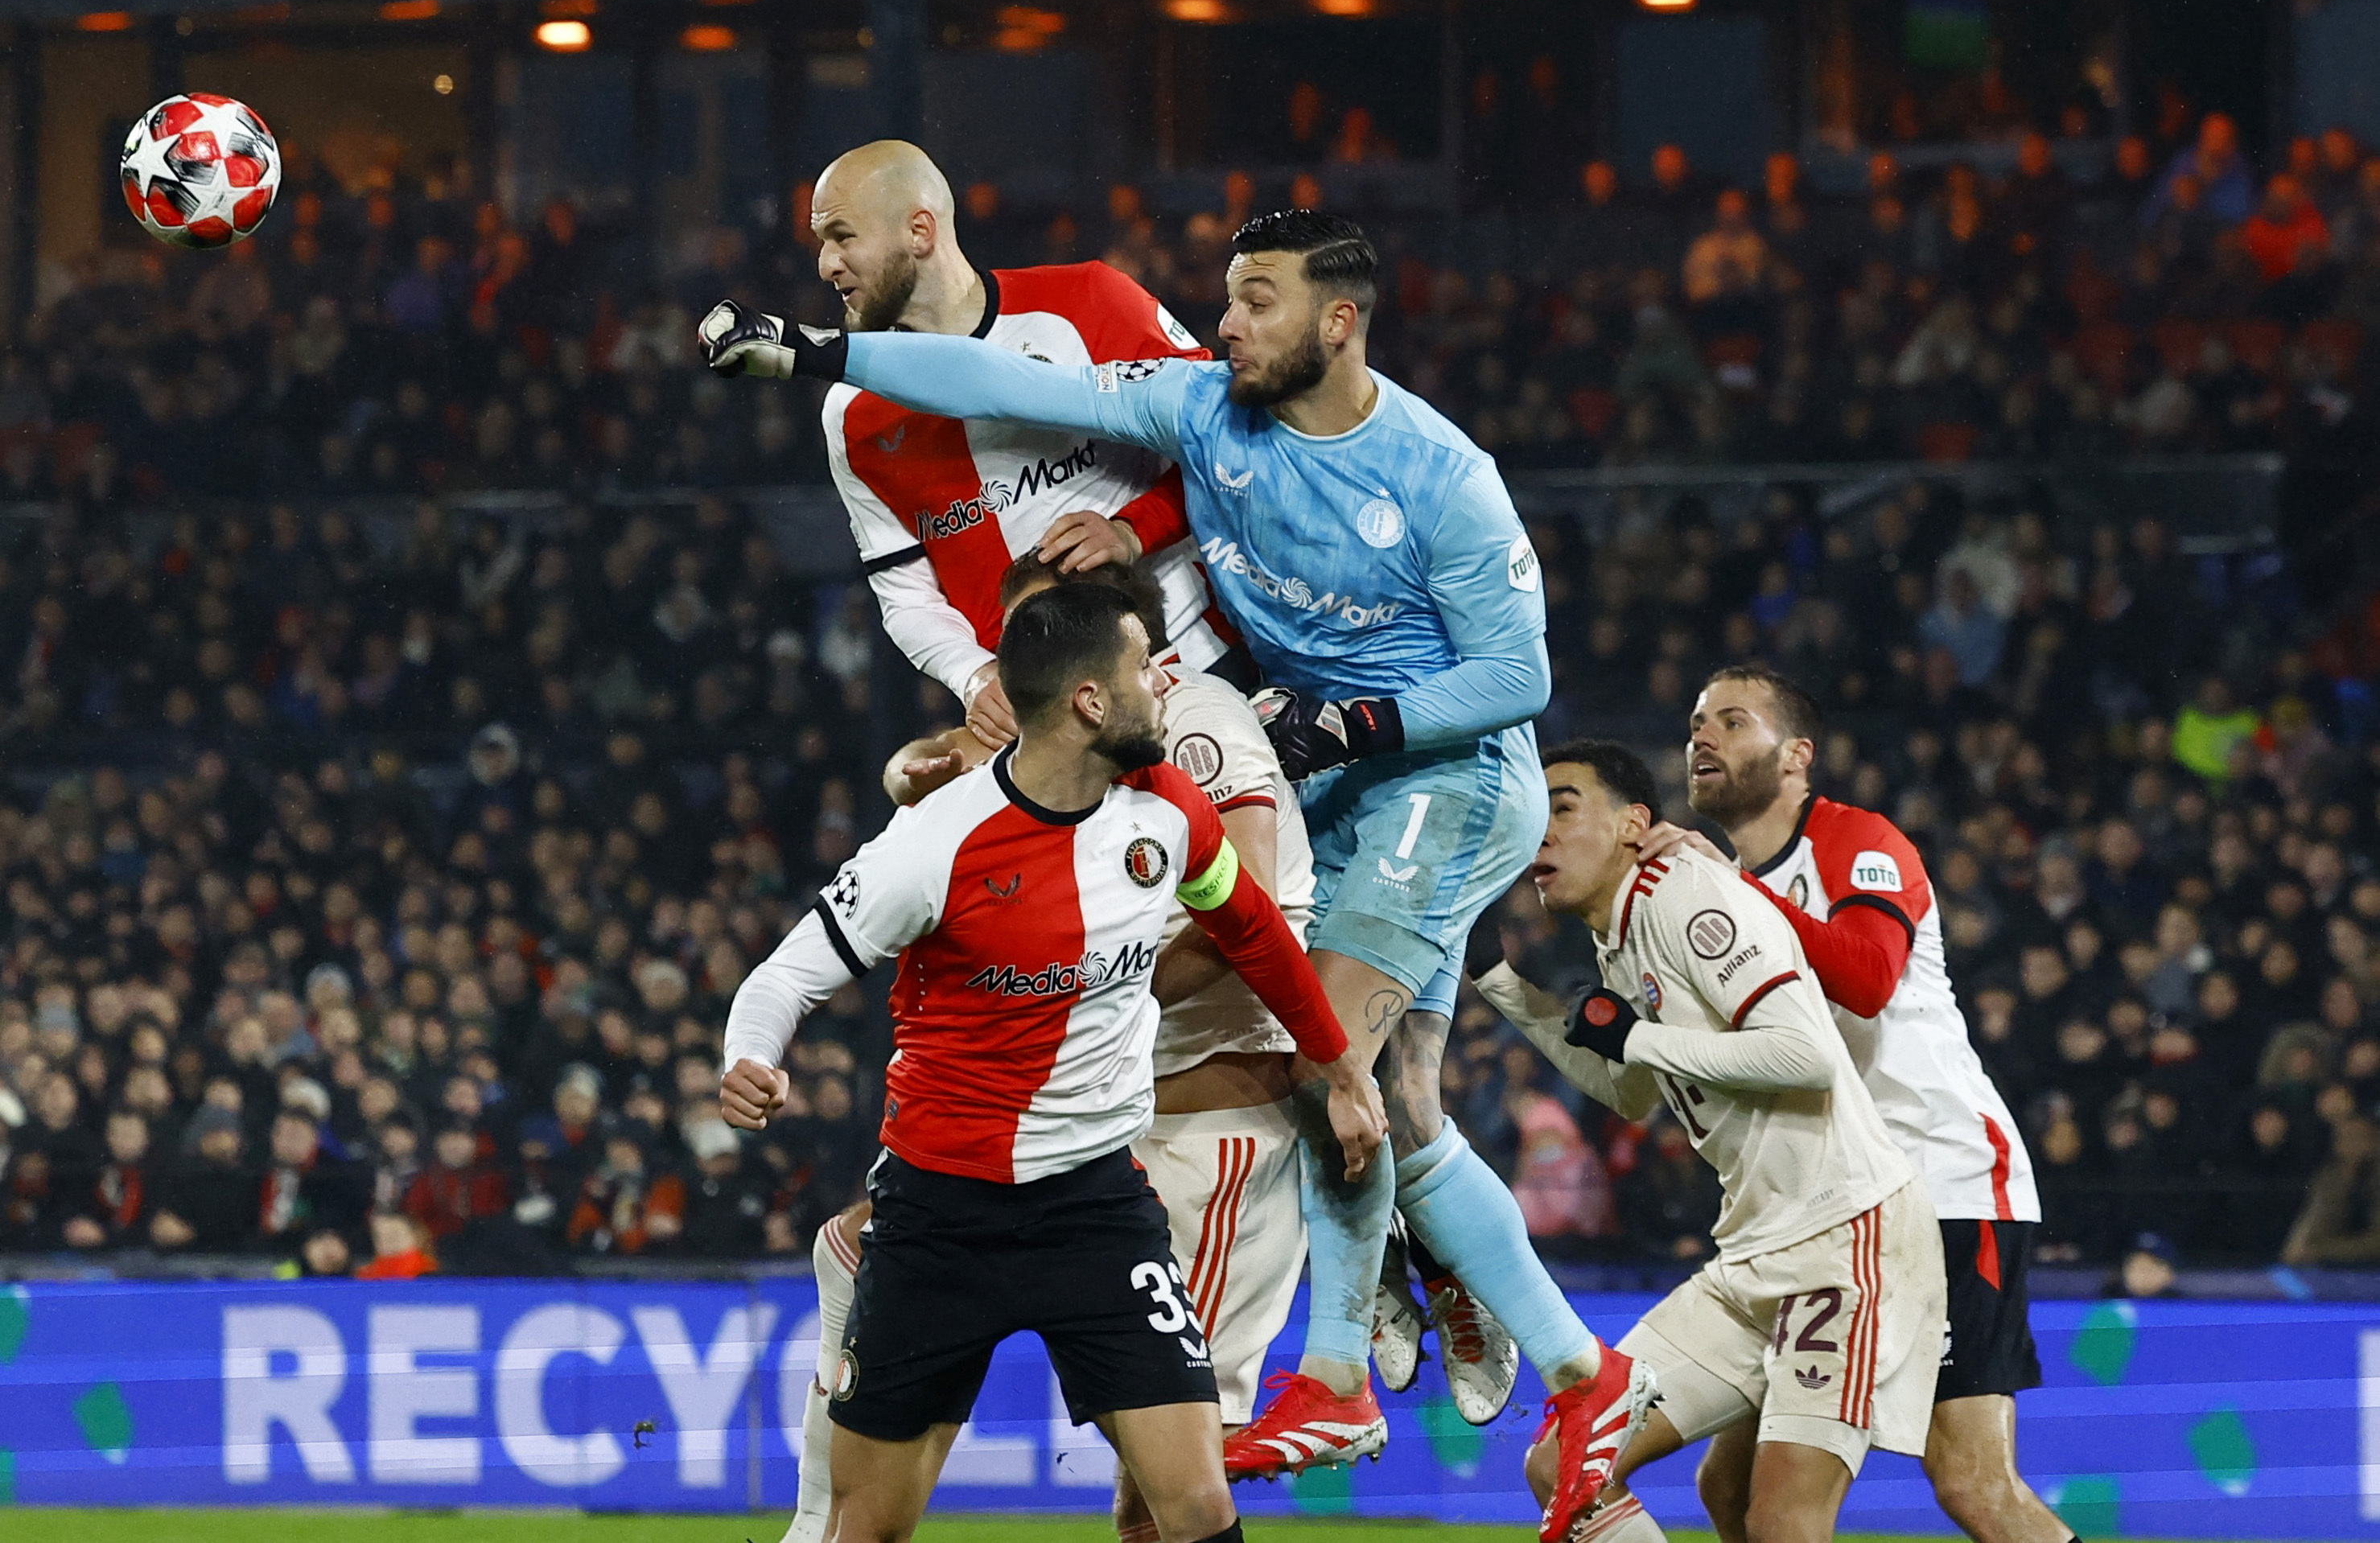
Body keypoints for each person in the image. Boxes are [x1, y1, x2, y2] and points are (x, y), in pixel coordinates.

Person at [701, 207, 1649, 1537]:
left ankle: (1336, 1373)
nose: (1223, 323)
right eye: (1224, 296)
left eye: (1254, 300)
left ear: (1337, 319)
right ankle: (1572, 1366)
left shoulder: (1441, 471)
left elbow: (1519, 677)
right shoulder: (1203, 410)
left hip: (1443, 777)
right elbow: (1002, 379)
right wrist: (816, 353)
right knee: (1402, 1099)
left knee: (1338, 1058)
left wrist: (1355, 723)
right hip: (1336, 766)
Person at [718, 579, 1386, 1543]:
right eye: (1143, 671)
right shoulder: (934, 845)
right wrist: (753, 1056)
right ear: (1089, 702)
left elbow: (1252, 929)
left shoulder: (1166, 811)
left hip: (1096, 1211)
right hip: (942, 1214)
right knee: (868, 1527)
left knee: (1196, 1507)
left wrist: (1340, 1062)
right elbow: (782, 979)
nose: (1166, 684)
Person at [1636, 664, 2066, 1543]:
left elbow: (1868, 979)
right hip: (1821, 1213)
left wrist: (1727, 884)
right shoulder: (1712, 892)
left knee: (1974, 1485)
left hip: (1942, 1181)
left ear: (1798, 755)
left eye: (1732, 720)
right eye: (1694, 723)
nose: (1702, 737)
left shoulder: (1858, 841)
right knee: (1734, 1489)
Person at [1474, 740, 1943, 1543]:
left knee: (1783, 1523)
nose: (1538, 833)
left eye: (1562, 808)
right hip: (1751, 1255)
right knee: (1563, 1465)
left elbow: (1805, 1058)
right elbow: (1628, 1089)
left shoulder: (1686, 894)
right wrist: (1504, 984)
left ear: (1633, 825)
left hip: (1844, 1234)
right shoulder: (1619, 933)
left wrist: (1637, 1040)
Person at [803, 139, 1235, 754]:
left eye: (842, 236)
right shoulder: (850, 414)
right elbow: (903, 593)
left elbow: (1225, 443)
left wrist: (1136, 530)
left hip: (1193, 666)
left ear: (920, 231)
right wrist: (972, 676)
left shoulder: (1091, 300)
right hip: (1047, 732)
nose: (825, 264)